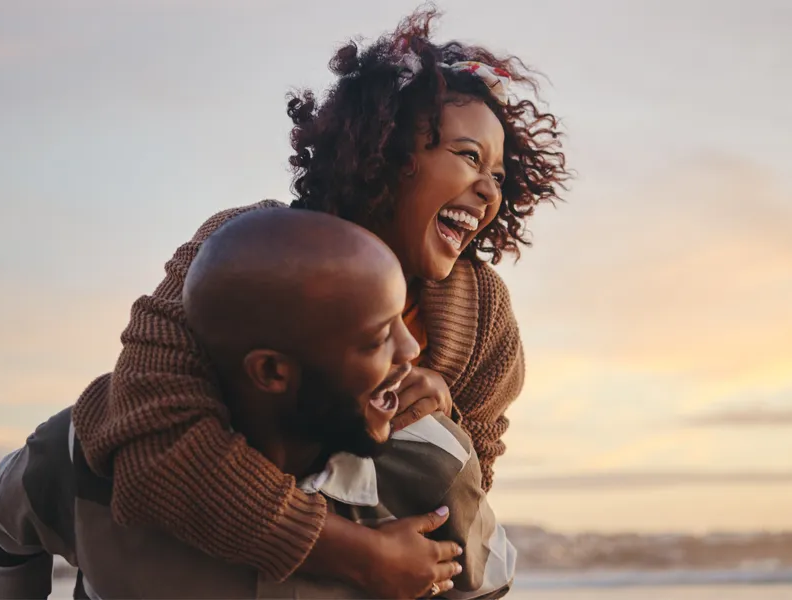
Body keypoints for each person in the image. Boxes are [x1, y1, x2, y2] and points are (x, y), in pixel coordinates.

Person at [71, 7, 568, 599]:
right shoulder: (243, 249)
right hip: (181, 563)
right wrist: (356, 555)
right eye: (467, 155)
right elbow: (153, 445)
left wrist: (447, 421)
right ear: (385, 150)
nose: (489, 190)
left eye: (499, 173)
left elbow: (466, 499)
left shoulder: (483, 312)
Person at [0, 209, 515, 599]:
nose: (414, 350)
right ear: (272, 371)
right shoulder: (86, 451)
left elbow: (485, 584)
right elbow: (6, 525)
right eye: (378, 338)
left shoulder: (433, 465)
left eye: (406, 317)